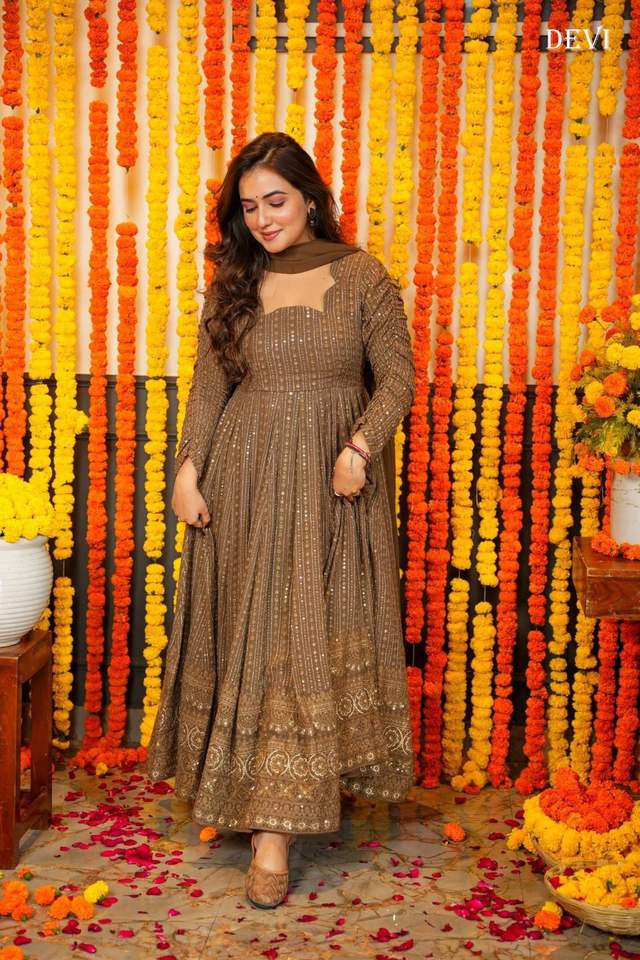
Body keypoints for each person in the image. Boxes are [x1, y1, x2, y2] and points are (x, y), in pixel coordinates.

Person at [145, 131, 416, 909]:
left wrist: (360, 447)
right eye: (249, 206)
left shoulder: (361, 274)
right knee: (259, 637)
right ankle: (266, 821)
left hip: (333, 483)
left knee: (307, 636)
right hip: (246, 478)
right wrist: (188, 469)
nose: (263, 219)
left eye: (276, 201)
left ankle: (280, 822)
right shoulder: (236, 280)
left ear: (310, 199)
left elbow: (398, 375)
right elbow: (211, 385)